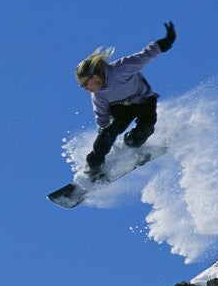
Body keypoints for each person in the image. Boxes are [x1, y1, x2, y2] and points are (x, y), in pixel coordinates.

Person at [75, 22, 176, 182]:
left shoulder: (121, 69)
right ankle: (93, 170)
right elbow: (102, 116)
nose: (85, 89)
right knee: (106, 137)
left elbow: (145, 55)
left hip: (144, 102)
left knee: (142, 131)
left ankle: (133, 146)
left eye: (84, 84)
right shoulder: (98, 94)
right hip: (120, 109)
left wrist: (167, 40)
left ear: (94, 77)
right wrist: (105, 134)